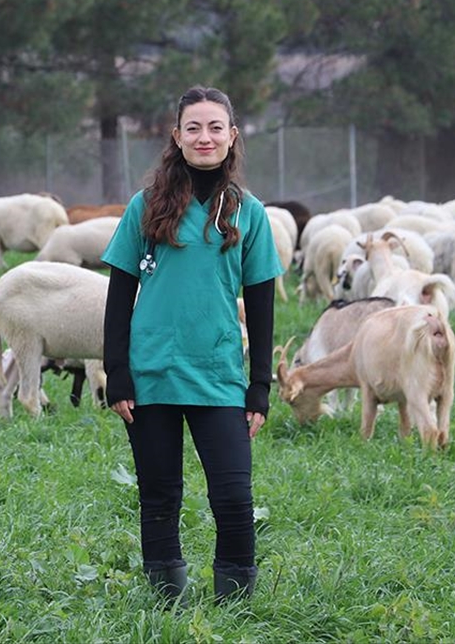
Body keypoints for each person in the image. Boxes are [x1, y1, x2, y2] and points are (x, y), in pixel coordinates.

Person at [100, 86, 282, 605]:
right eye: (194, 128)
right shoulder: (145, 206)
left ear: (232, 136)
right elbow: (119, 294)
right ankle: (166, 603)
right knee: (159, 497)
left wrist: (260, 386)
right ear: (177, 137)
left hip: (219, 375)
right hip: (152, 373)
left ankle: (235, 604)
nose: (205, 137)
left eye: (215, 127)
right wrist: (118, 372)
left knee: (233, 497)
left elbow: (263, 303)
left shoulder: (249, 213)